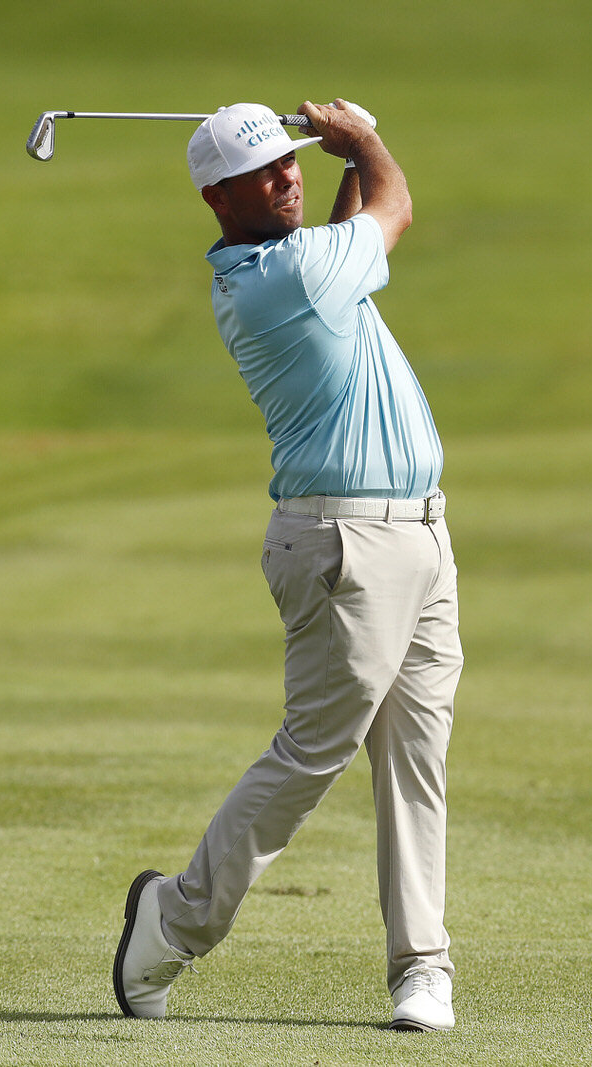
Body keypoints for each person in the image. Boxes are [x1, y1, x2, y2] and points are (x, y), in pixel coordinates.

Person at [112, 99, 462, 1033]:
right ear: (218, 197)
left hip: (422, 536)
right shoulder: (284, 280)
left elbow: (354, 229)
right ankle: (172, 921)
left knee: (415, 759)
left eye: (296, 162)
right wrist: (366, 142)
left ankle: (421, 966)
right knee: (315, 753)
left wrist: (339, 156)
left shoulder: (303, 263)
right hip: (345, 544)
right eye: (268, 173)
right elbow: (392, 211)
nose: (289, 177)